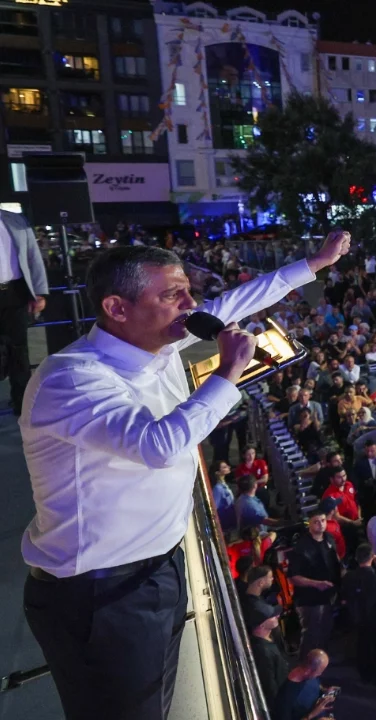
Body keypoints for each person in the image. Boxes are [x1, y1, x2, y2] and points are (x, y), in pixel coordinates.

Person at [21, 231, 347, 719]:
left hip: (156, 570)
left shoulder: (162, 347)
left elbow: (236, 299)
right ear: (117, 307)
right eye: (173, 295)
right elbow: (157, 445)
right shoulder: (72, 378)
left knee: (154, 704)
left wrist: (314, 264)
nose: (191, 304)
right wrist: (225, 376)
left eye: (188, 291)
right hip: (101, 592)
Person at [0, 207, 48, 416]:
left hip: (15, 291)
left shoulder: (16, 220)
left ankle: (23, 405)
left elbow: (33, 257)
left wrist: (39, 292)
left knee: (19, 350)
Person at [341, 543, 376, 688]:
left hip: (358, 618)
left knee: (362, 646)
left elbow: (344, 597)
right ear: (372, 557)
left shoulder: (349, 577)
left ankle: (365, 674)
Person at [289, 506, 344, 655]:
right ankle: (305, 665)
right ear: (309, 524)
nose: (321, 524)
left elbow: (335, 558)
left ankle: (320, 659)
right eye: (316, 522)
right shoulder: (301, 547)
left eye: (323, 520)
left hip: (329, 594)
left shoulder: (329, 538)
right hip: (310, 599)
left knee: (326, 627)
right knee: (311, 633)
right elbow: (293, 577)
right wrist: (316, 584)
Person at [244, 599, 288, 704]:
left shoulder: (270, 638)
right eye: (272, 616)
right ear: (262, 625)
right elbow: (269, 685)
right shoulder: (262, 652)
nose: (277, 616)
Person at [272, 649, 336, 720]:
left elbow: (314, 687)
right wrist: (312, 714)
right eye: (319, 671)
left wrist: (324, 691)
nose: (320, 674)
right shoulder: (286, 697)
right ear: (309, 670)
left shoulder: (309, 676)